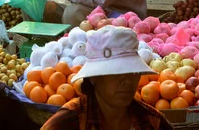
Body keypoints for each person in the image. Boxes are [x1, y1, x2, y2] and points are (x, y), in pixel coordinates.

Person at [41, 26, 172, 130]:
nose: (127, 81)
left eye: (133, 71)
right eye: (116, 72)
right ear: (94, 78)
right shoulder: (69, 122)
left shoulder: (153, 122)